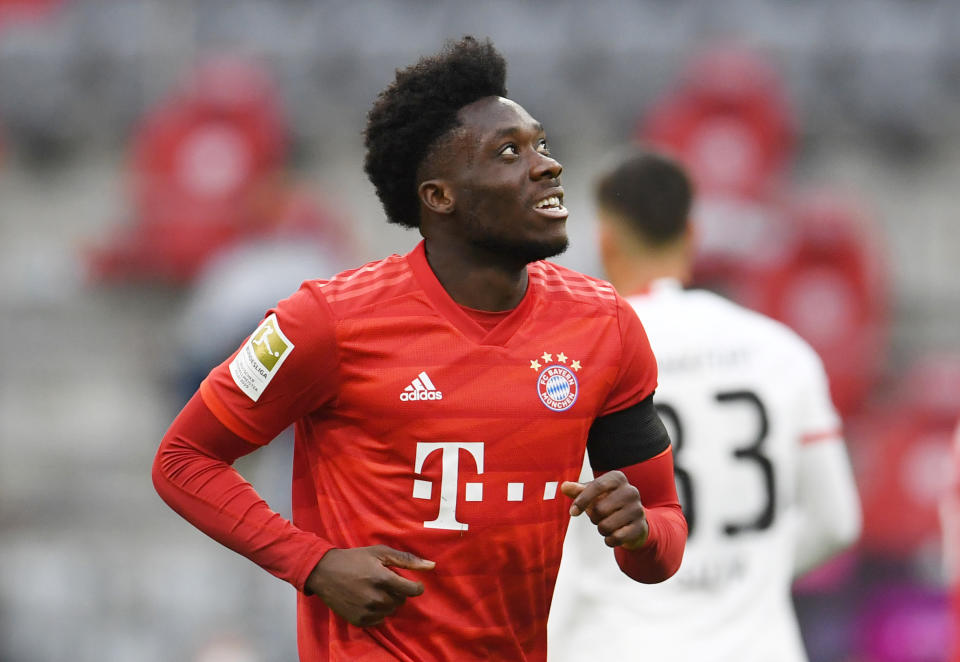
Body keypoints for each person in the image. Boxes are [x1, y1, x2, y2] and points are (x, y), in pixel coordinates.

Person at [152, 37, 687, 662]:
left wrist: (642, 532)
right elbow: (184, 460)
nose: (547, 165)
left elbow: (661, 543)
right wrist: (314, 563)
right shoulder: (325, 321)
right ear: (439, 197)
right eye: (510, 152)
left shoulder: (604, 325)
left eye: (542, 144)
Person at [548, 148, 862, 662]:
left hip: (619, 643)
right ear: (692, 236)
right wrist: (749, 580)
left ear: (605, 241)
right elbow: (837, 523)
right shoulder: (782, 351)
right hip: (758, 647)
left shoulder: (574, 366)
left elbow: (552, 543)